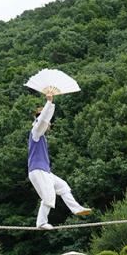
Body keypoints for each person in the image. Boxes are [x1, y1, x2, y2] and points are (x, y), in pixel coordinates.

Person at [28, 92, 91, 229]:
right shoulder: (35, 132)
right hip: (38, 170)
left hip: (45, 171)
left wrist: (49, 106)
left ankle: (76, 209)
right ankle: (41, 222)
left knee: (63, 186)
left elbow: (44, 120)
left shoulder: (41, 136)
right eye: (48, 122)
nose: (49, 124)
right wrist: (49, 102)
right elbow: (42, 121)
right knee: (49, 196)